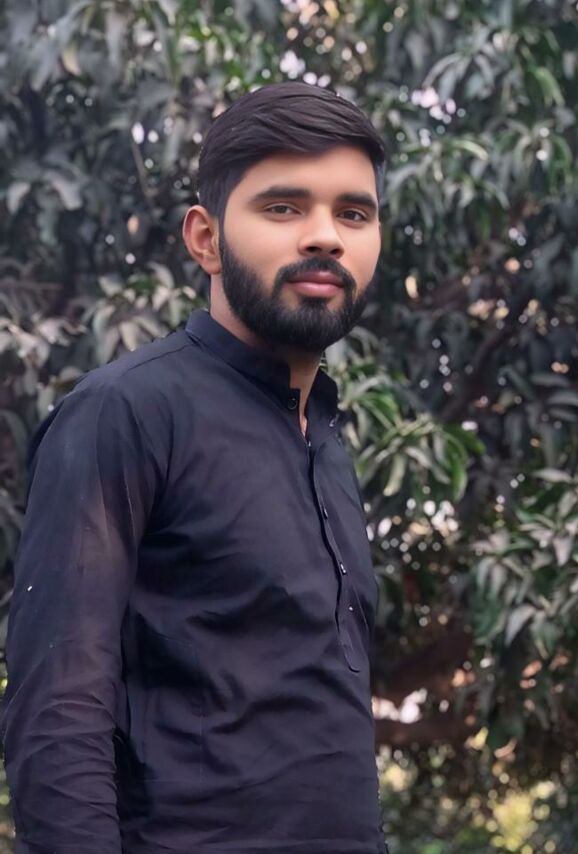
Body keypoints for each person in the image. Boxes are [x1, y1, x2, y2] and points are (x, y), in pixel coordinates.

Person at [2, 81, 389, 854]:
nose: (325, 236)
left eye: (353, 213)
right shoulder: (126, 412)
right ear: (205, 239)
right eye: (283, 207)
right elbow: (58, 713)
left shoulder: (324, 433)